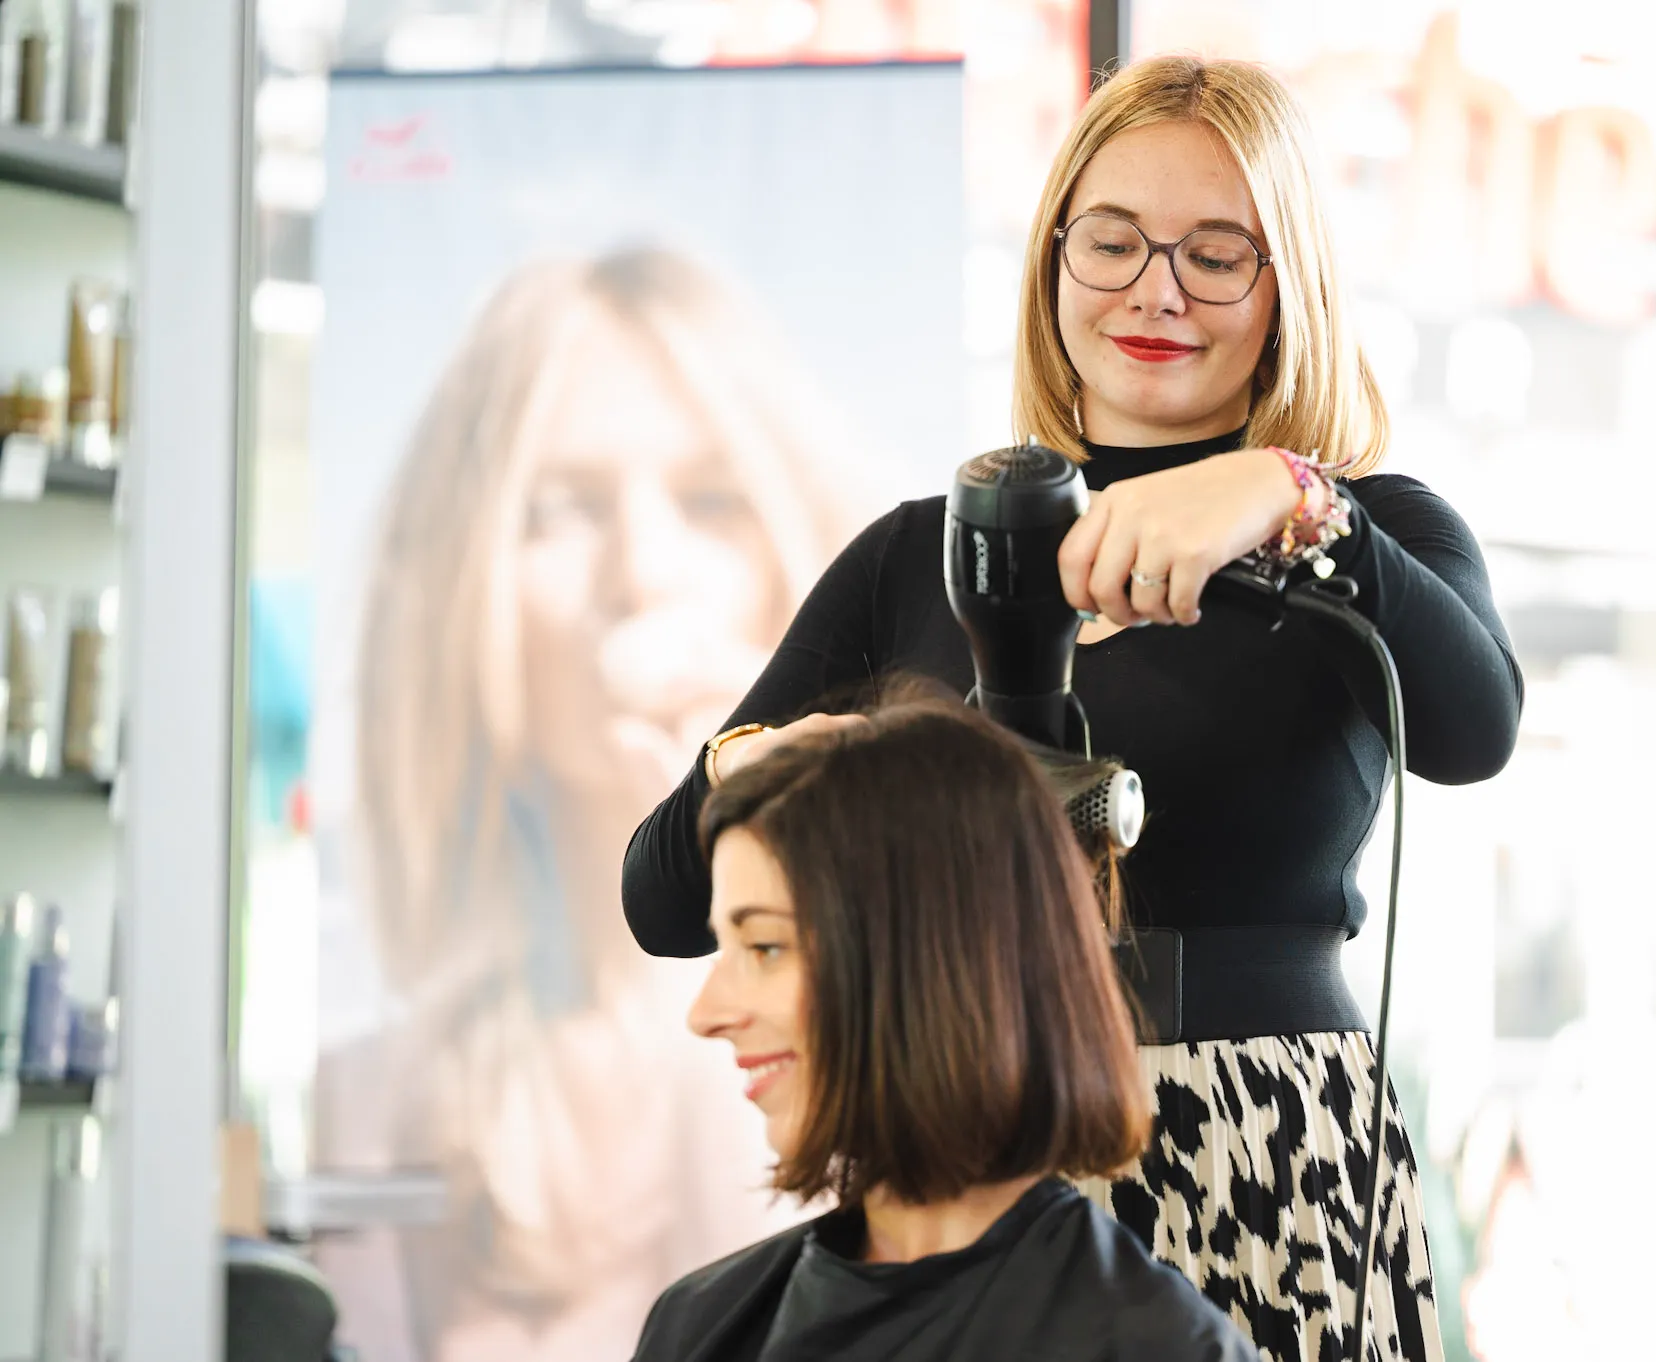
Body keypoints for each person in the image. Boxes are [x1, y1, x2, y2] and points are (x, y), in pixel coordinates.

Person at [624, 56, 1523, 1362]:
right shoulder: (918, 557)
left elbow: (1474, 728)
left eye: (1219, 254)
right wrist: (777, 758)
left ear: (1289, 293)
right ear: (1050, 262)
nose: (1156, 290)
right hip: (972, 1162)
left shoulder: (1363, 535)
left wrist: (1295, 497)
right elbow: (662, 900)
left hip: (1271, 1154)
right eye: (1112, 242)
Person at [317, 247, 873, 1362]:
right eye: (564, 509)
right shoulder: (372, 1103)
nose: (642, 572)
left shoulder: (908, 1040)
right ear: (460, 581)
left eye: (710, 501)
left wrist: (731, 846)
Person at [634, 693, 1258, 1362]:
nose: (707, 1014)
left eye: (765, 948)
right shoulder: (700, 1326)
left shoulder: (1157, 1349)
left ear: (932, 959)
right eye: (724, 946)